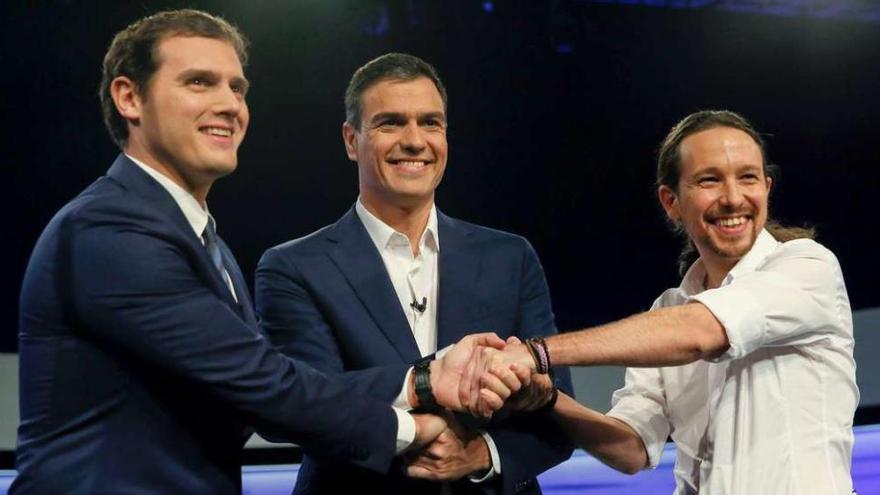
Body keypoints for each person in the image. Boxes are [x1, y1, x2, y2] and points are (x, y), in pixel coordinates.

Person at [13, 11, 508, 494]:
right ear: (129, 97)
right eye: (200, 82)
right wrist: (419, 420)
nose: (230, 104)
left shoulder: (208, 245)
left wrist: (424, 382)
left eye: (237, 88)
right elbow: (263, 385)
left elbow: (261, 383)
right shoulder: (110, 228)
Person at [476, 110, 858, 494]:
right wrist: (547, 400)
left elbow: (701, 332)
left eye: (748, 177)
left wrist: (535, 353)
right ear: (671, 201)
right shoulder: (669, 309)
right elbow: (631, 449)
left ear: (767, 188)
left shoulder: (808, 266)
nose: (733, 197)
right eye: (709, 180)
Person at [255, 53, 574, 494]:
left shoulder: (509, 257)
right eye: (390, 123)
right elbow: (302, 401)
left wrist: (482, 454)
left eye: (430, 123)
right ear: (352, 140)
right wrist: (425, 383)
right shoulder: (293, 267)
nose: (414, 141)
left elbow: (558, 403)